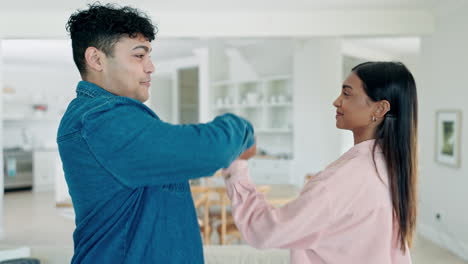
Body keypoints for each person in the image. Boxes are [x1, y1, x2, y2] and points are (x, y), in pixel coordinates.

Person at [57, 4, 254, 263]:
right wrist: (243, 130)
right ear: (96, 59)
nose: (151, 68)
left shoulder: (106, 117)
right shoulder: (101, 119)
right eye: (139, 56)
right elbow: (207, 151)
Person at [224, 61, 418, 263]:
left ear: (380, 109)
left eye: (347, 94)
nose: (336, 101)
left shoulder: (340, 181)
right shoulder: (392, 169)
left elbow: (263, 231)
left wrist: (237, 165)